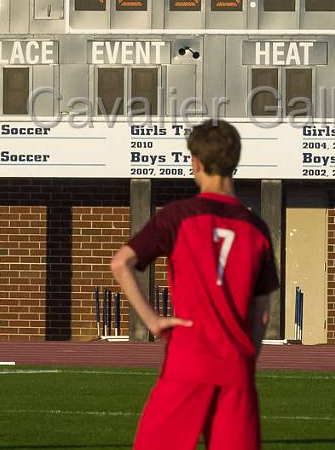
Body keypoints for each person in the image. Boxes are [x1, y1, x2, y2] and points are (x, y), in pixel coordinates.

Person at [110, 119, 279, 450]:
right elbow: (261, 315)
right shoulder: (256, 228)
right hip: (235, 366)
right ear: (235, 161)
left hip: (188, 359)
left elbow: (121, 263)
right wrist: (245, 359)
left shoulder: (177, 216)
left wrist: (153, 321)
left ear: (196, 162)